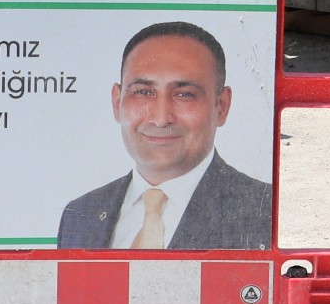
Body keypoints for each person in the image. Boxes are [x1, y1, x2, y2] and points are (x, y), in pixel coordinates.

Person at [56, 21, 274, 251]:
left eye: (184, 94)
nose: (161, 119)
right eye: (143, 92)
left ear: (221, 106)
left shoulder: (266, 211)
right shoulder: (79, 215)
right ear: (117, 102)